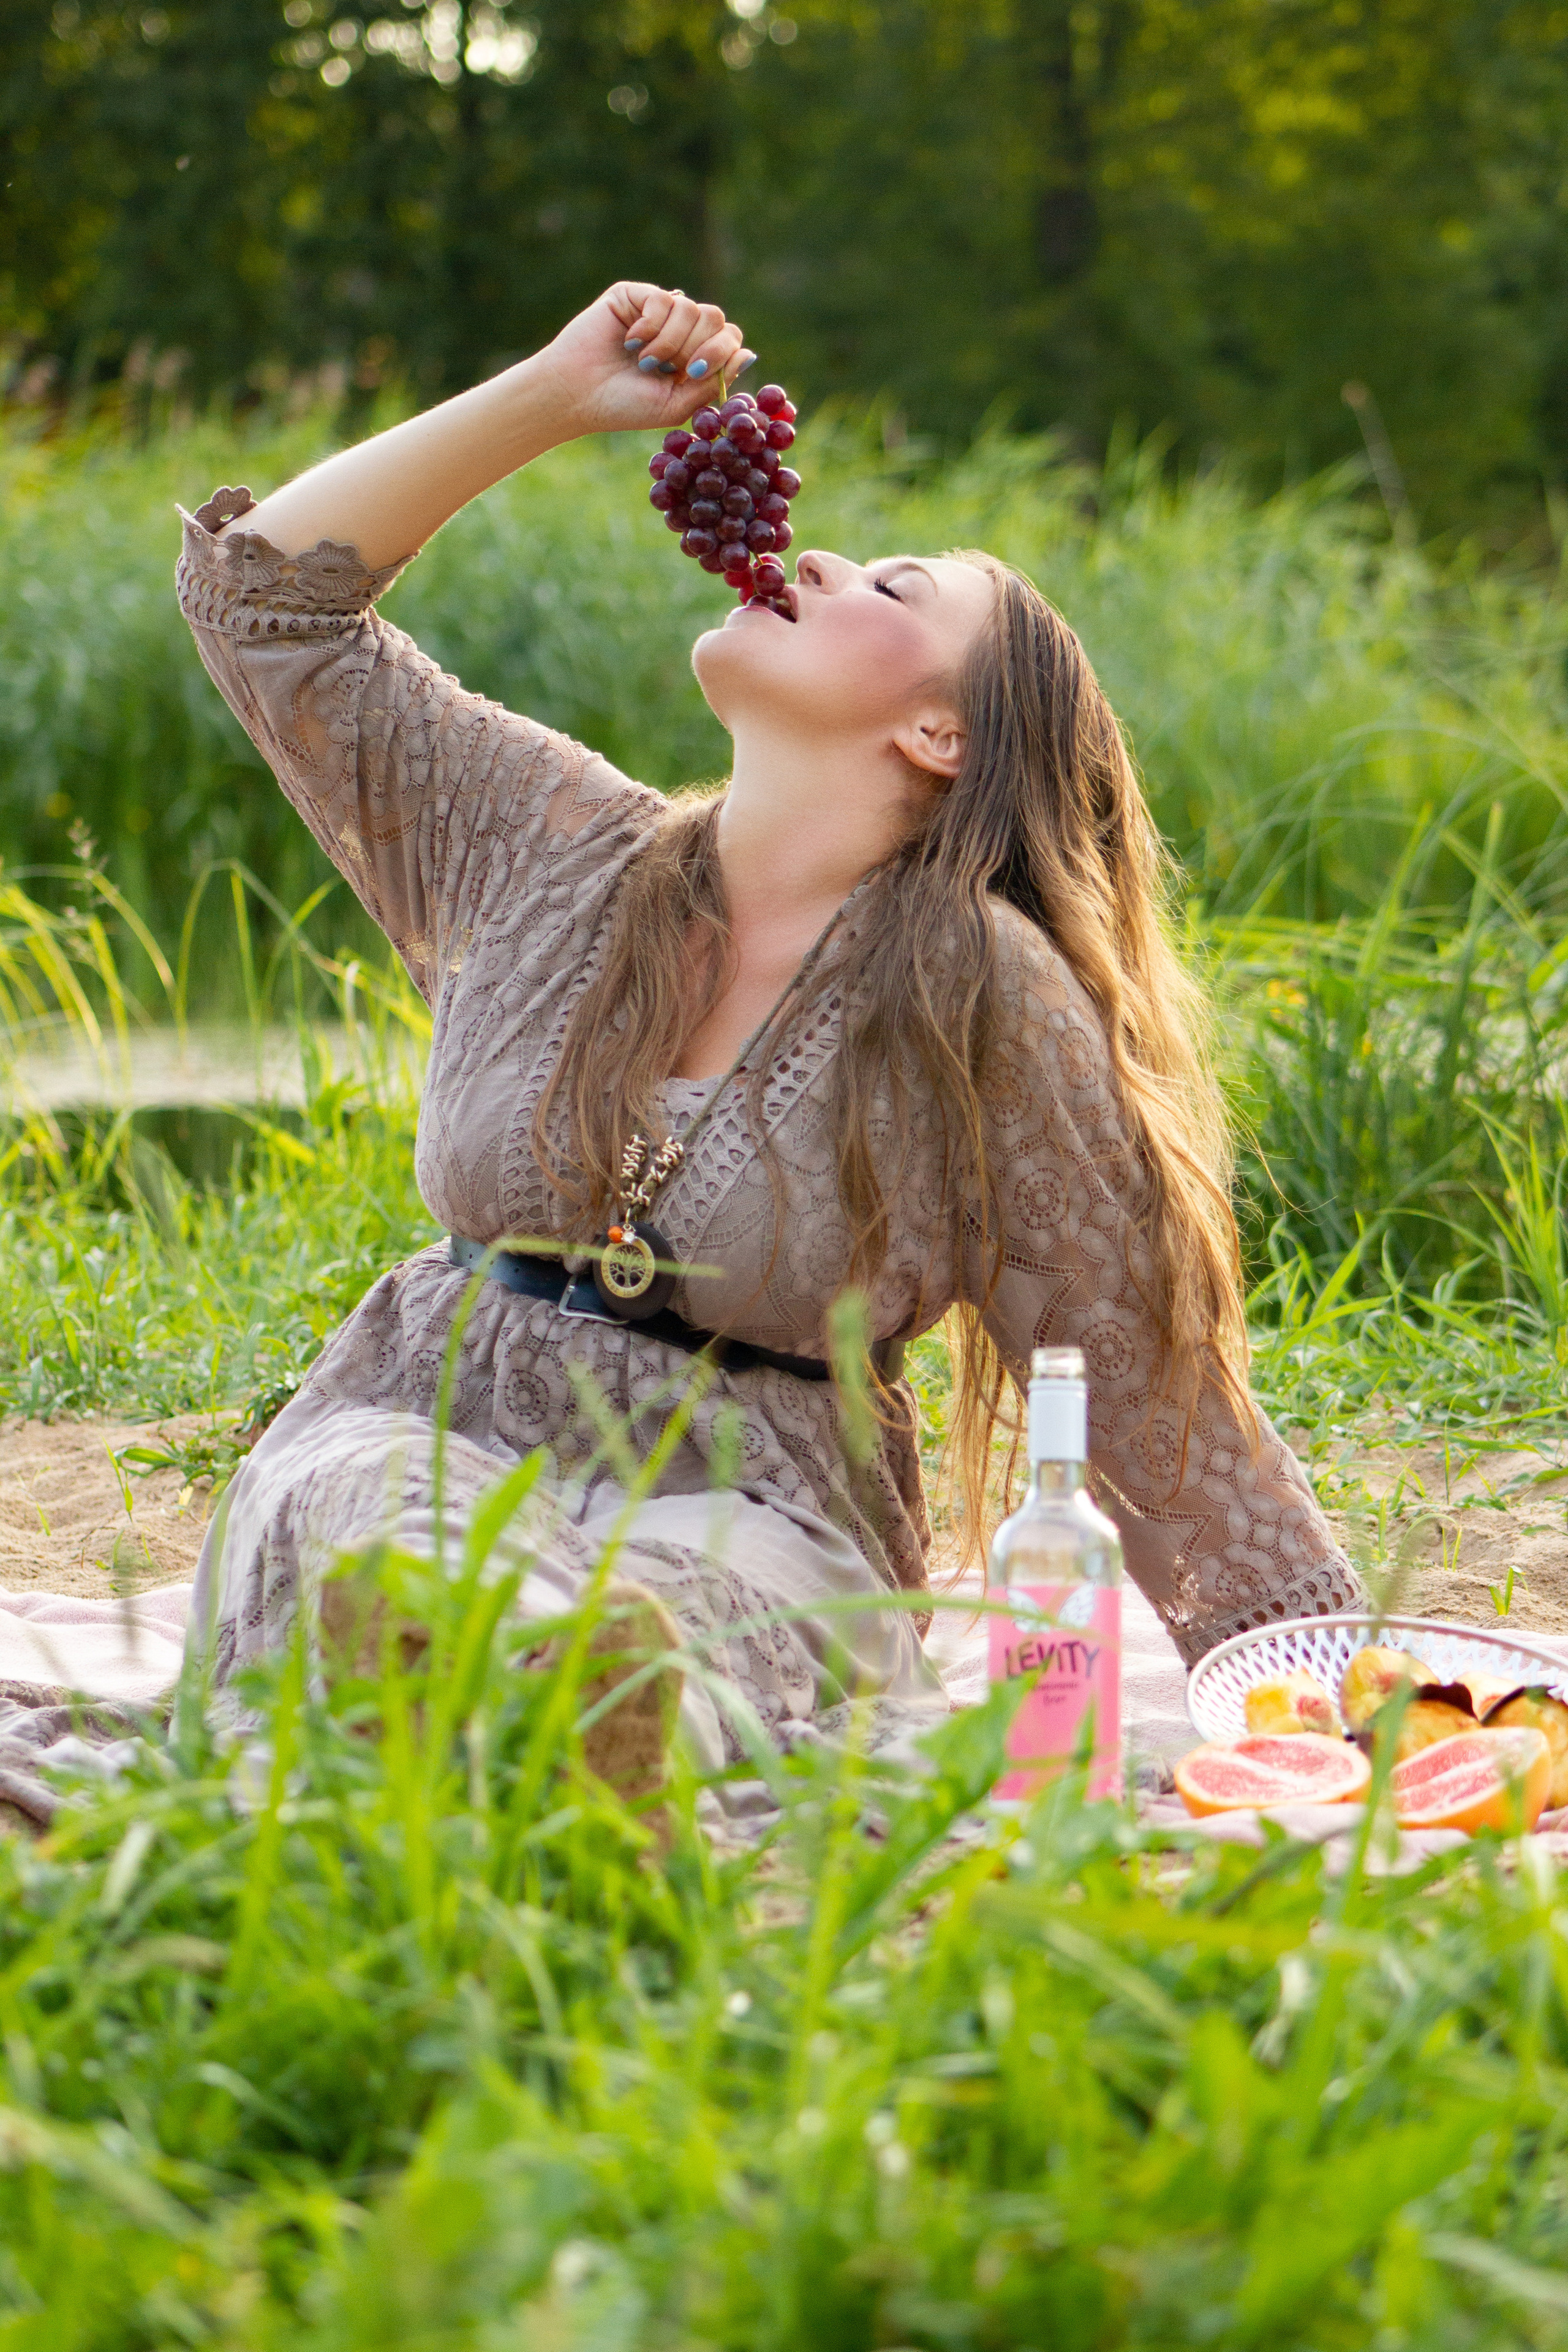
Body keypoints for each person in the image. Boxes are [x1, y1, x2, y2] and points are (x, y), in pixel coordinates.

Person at [173, 281, 1361, 1811]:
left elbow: (1145, 1374)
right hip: (427, 1421)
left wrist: (1327, 1686)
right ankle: (496, 1693)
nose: (817, 555)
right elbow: (264, 601)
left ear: (938, 736)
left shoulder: (979, 994)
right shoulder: (548, 846)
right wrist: (551, 393)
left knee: (672, 1613)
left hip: (750, 1506)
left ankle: (547, 1708)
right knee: (365, 1512)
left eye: (894, 585)